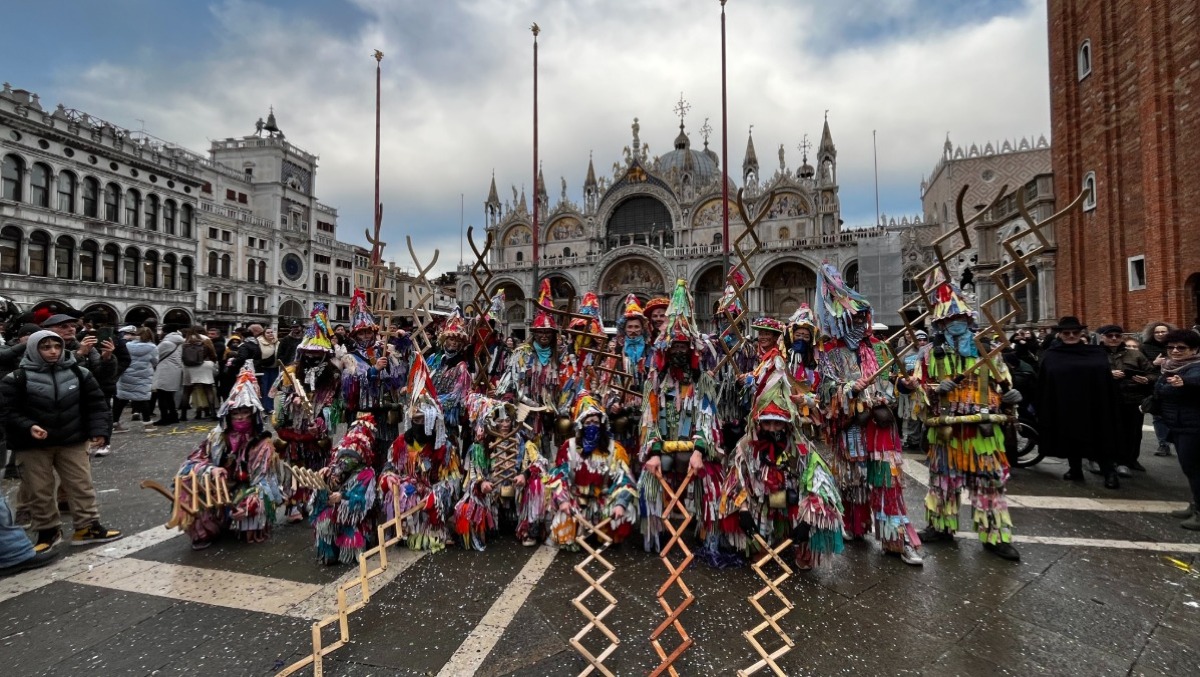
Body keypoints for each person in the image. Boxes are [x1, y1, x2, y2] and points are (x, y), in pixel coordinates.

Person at [814, 264, 923, 565]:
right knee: (854, 483)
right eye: (854, 319)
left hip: (882, 426)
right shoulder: (830, 352)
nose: (860, 324)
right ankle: (855, 526)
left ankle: (897, 540)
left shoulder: (881, 349)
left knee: (888, 482)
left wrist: (905, 385)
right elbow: (824, 389)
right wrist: (849, 388)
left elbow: (893, 381)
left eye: (863, 318)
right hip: (853, 424)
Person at [915, 279, 1021, 561]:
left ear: (969, 319)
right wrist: (934, 390)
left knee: (988, 482)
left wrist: (1010, 397)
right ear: (941, 324)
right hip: (946, 430)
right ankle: (940, 527)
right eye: (950, 319)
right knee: (943, 482)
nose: (956, 322)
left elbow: (1004, 383)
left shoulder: (989, 351)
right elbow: (917, 391)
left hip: (982, 430)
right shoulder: (930, 355)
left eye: (960, 317)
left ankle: (995, 536)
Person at [721, 335, 844, 569]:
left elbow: (823, 489)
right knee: (746, 504)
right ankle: (760, 543)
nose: (772, 428)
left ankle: (799, 544)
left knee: (815, 506)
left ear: (787, 424)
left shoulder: (802, 448)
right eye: (767, 423)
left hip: (791, 505)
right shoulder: (746, 447)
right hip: (762, 505)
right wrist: (743, 509)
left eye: (777, 423)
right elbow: (734, 484)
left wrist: (808, 519)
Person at [0, 330, 121, 552]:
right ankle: (48, 531)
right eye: (45, 347)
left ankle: (87, 527)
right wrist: (29, 426)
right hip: (32, 445)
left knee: (81, 485)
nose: (53, 351)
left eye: (56, 346)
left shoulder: (80, 373)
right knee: (39, 490)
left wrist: (99, 431)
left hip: (73, 440)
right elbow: (7, 411)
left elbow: (96, 404)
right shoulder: (16, 378)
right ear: (33, 349)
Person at [173, 362, 283, 549]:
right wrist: (210, 470)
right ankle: (207, 529)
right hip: (219, 488)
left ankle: (245, 518)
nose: (239, 417)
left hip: (245, 487)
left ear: (253, 415)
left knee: (250, 512)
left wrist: (250, 505)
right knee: (188, 483)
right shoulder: (217, 437)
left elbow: (265, 483)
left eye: (245, 412)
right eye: (235, 413)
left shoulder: (263, 445)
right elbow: (191, 463)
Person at [272, 303, 342, 523]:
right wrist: (290, 402)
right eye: (308, 353)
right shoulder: (291, 372)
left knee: (316, 466)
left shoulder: (333, 376)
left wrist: (321, 422)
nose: (312, 357)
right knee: (294, 465)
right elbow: (278, 398)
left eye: (316, 354)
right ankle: (294, 502)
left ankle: (315, 499)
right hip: (293, 429)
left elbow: (334, 405)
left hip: (315, 431)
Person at [1038, 316, 1122, 488]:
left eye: (1075, 332)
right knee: (1069, 436)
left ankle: (1109, 473)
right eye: (1066, 333)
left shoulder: (1095, 353)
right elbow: (1045, 381)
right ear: (1060, 334)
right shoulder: (1051, 355)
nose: (1071, 335)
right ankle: (1075, 469)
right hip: (1064, 404)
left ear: (1081, 333)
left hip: (1094, 404)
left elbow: (1105, 378)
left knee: (1101, 436)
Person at [544, 394, 637, 548]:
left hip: (602, 501)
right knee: (564, 527)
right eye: (587, 423)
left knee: (625, 510)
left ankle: (602, 532)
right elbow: (559, 475)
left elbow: (625, 479)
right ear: (581, 425)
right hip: (576, 502)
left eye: (595, 422)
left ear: (602, 425)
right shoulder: (569, 447)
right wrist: (563, 500)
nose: (592, 426)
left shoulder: (615, 449)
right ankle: (580, 528)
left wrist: (620, 504)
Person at [311, 415, 378, 564]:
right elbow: (322, 496)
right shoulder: (336, 468)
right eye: (343, 456)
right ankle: (329, 554)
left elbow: (363, 501)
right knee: (324, 521)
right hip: (335, 511)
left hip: (356, 519)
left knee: (352, 539)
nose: (345, 462)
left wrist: (342, 497)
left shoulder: (367, 474)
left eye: (351, 457)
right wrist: (325, 479)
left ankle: (348, 553)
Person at [1155, 330, 1200, 530]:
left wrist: (1184, 383)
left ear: (1194, 350)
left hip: (1194, 426)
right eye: (1171, 347)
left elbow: (1196, 380)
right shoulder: (1170, 366)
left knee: (1194, 468)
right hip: (1180, 424)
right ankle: (1195, 504)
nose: (1175, 351)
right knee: (1190, 468)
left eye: (1181, 348)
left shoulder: (1195, 367)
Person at [1099, 324, 1155, 475]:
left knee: (1133, 431)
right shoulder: (1096, 354)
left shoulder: (1135, 354)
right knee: (1108, 431)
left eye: (1117, 335)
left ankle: (1131, 459)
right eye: (1110, 336)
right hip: (1107, 398)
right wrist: (1108, 374)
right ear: (1102, 337)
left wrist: (1146, 379)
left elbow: (1152, 373)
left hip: (1132, 398)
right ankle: (1111, 460)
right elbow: (1088, 374)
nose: (1114, 338)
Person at [1141, 322, 1177, 457]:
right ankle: (1163, 444)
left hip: (1175, 384)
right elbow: (1141, 366)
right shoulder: (1145, 347)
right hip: (1155, 385)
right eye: (1157, 332)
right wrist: (1154, 363)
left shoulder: (1176, 345)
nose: (1160, 334)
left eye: (1163, 331)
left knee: (1176, 415)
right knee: (1158, 416)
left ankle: (1179, 442)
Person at [114, 327, 159, 431]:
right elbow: (155, 361)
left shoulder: (127, 345)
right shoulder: (152, 347)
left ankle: (115, 423)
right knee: (143, 398)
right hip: (143, 375)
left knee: (121, 399)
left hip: (126, 374)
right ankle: (147, 423)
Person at [181, 326, 219, 421]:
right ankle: (213, 413)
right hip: (204, 364)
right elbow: (213, 353)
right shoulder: (206, 339)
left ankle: (183, 415)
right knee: (208, 389)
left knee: (187, 391)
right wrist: (213, 362)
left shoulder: (186, 340)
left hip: (188, 366)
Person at [151, 326, 186, 427]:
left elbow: (154, 356)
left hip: (165, 370)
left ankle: (164, 417)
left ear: (166, 332)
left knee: (162, 395)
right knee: (169, 395)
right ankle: (173, 415)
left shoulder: (166, 343)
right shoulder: (180, 342)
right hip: (175, 369)